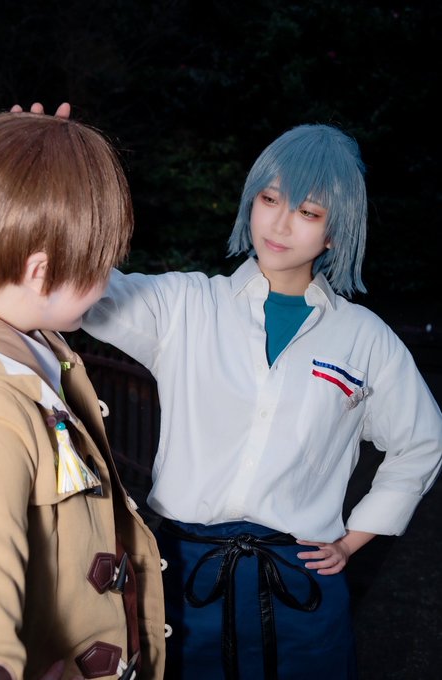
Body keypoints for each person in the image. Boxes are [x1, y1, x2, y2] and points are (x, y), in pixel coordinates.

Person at [81, 122, 442, 679]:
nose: (280, 222)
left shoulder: (365, 338)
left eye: (308, 211)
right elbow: (80, 288)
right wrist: (54, 179)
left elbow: (422, 442)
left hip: (301, 583)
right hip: (183, 577)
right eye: (269, 199)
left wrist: (352, 541)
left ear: (335, 233)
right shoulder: (186, 304)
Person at [0, 111, 166, 680]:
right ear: (40, 272)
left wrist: (26, 168)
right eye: (100, 263)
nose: (108, 278)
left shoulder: (35, 341)